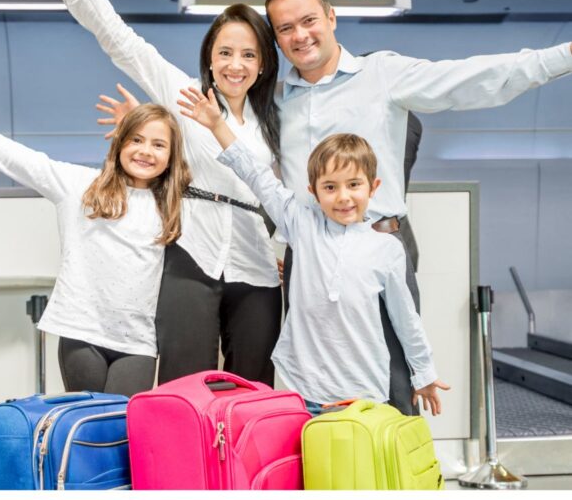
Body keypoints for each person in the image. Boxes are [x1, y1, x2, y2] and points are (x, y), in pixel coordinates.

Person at [265, 0, 572, 413]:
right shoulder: (277, 102)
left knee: (395, 384)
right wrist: (282, 242)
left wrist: (563, 56)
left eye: (309, 20)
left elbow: (468, 80)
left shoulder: (382, 74)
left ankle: (394, 478)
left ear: (331, 18)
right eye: (285, 28)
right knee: (313, 390)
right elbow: (277, 178)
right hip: (309, 257)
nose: (300, 35)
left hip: (382, 241)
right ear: (276, 38)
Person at [27, 0, 282, 386]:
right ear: (209, 56)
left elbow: (295, 196)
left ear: (264, 64)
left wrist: (288, 249)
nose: (235, 64)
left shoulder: (277, 124)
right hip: (190, 256)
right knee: (185, 385)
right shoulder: (183, 94)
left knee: (252, 386)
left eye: (248, 54)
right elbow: (116, 37)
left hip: (256, 266)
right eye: (225, 52)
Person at [179, 84, 450, 416]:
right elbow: (257, 175)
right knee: (312, 464)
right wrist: (218, 126)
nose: (343, 197)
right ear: (314, 191)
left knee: (356, 466)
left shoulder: (387, 250)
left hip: (365, 392)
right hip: (305, 390)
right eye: (330, 187)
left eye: (354, 185)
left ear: (373, 187)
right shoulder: (301, 223)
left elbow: (405, 320)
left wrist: (423, 374)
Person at [0, 89, 191, 398]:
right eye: (136, 139)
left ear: (171, 157)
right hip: (82, 334)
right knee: (87, 428)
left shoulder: (175, 204)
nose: (146, 151)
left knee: (123, 427)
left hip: (137, 343)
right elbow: (10, 156)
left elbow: (218, 172)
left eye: (158, 144)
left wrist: (148, 118)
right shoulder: (78, 185)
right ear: (119, 142)